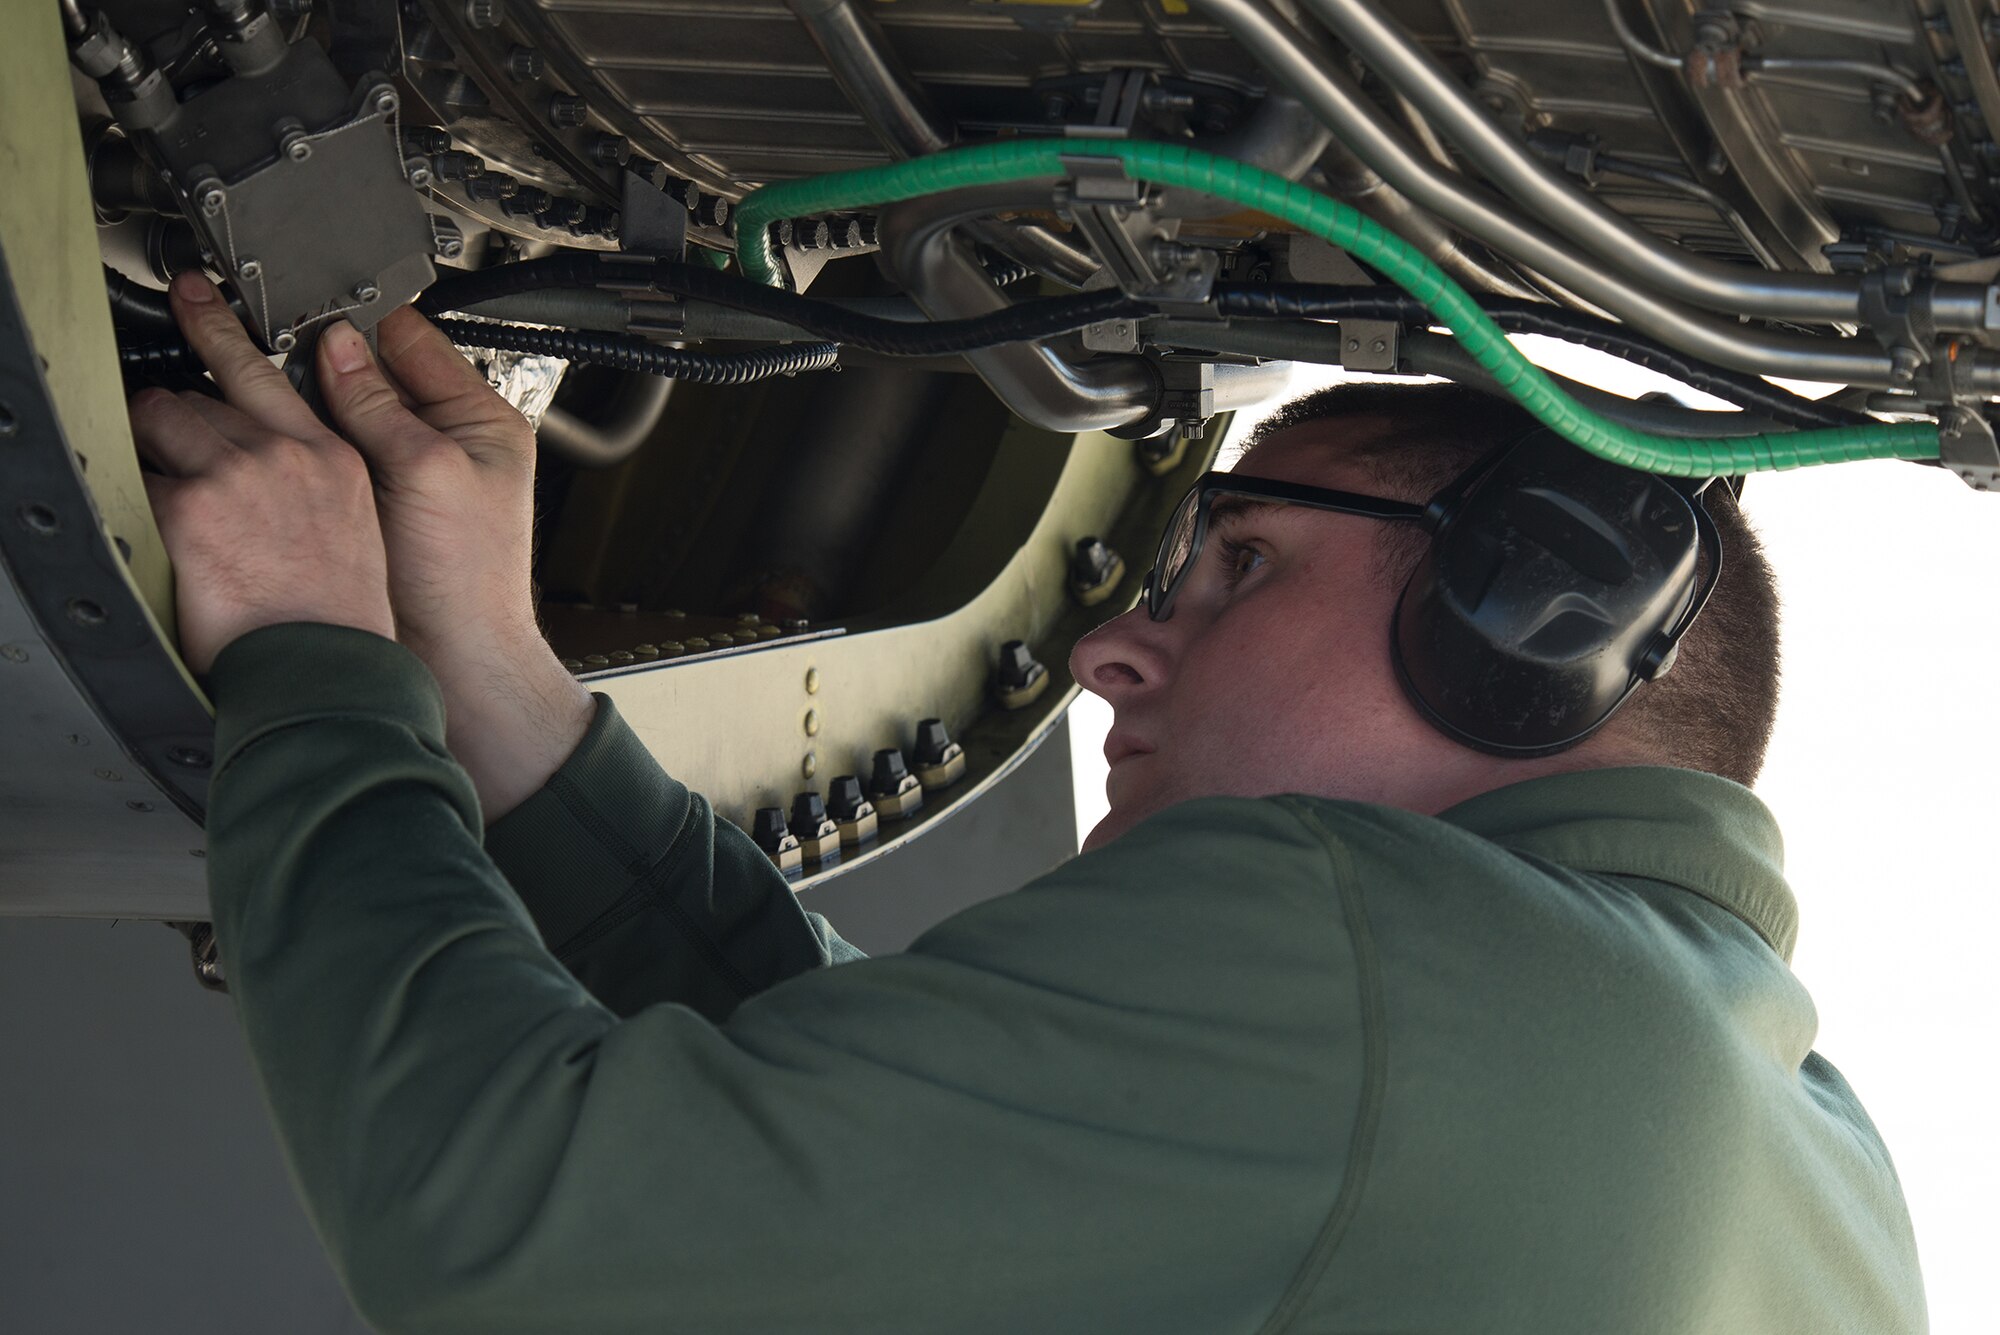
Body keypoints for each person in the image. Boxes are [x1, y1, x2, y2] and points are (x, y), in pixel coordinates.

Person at [131, 269, 1925, 1333]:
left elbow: (503, 1222)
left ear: (1536, 621)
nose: (1110, 658)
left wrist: (317, 661)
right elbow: (894, 1132)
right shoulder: (1806, 1165)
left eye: (1235, 567)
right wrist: (495, 684)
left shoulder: (1386, 951)